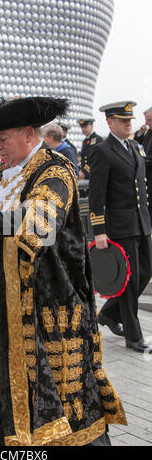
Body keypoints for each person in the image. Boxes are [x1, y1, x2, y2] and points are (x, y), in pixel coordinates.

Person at [0, 96, 127, 446]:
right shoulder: (8, 178)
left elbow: (39, 222)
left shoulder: (55, 170)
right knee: (7, 397)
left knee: (66, 405)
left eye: (2, 139)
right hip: (7, 314)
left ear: (27, 134)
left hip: (49, 312)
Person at [88, 101, 152, 354]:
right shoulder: (103, 151)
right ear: (110, 122)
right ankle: (134, 337)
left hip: (141, 222)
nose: (129, 123)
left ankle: (108, 313)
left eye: (130, 120)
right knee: (130, 281)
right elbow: (96, 194)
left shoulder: (134, 146)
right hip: (120, 226)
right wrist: (99, 230)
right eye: (123, 120)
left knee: (145, 273)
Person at [134, 107, 152, 222]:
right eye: (146, 120)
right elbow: (139, 145)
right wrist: (140, 134)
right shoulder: (149, 132)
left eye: (149, 120)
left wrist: (141, 161)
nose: (147, 123)